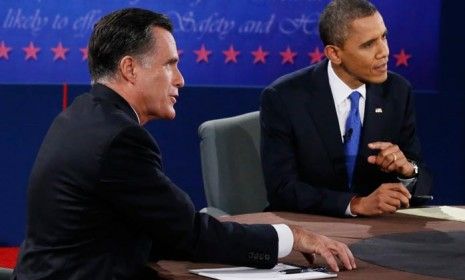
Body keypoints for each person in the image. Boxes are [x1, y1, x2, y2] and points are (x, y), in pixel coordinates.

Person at [12, 8, 355, 279]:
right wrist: (292, 238)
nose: (180, 79)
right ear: (130, 68)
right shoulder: (120, 139)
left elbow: (166, 228)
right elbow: (189, 233)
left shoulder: (82, 116)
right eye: (170, 64)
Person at [260, 0, 433, 217]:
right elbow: (282, 189)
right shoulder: (285, 98)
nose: (384, 52)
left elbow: (422, 178)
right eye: (368, 44)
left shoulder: (397, 92)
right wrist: (355, 204)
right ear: (334, 53)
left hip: (377, 232)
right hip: (309, 224)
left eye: (384, 37)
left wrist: (407, 171)